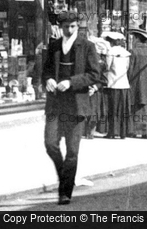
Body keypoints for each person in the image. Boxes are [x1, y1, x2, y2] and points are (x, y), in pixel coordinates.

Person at [42, 11, 101, 205]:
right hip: (55, 105)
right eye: (65, 27)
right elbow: (45, 71)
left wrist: (71, 82)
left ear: (78, 26)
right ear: (60, 27)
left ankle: (65, 192)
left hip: (77, 106)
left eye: (72, 26)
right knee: (50, 144)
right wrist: (49, 79)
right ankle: (64, 177)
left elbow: (94, 75)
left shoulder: (87, 46)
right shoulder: (54, 46)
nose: (69, 30)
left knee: (72, 151)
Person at [101, 32, 132, 139]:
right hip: (124, 84)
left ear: (111, 41)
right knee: (123, 109)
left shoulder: (110, 52)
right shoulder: (126, 53)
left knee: (112, 108)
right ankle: (123, 132)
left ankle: (112, 132)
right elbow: (127, 68)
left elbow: (107, 67)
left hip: (112, 84)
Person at [128, 28, 147, 139]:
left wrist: (128, 81)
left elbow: (130, 69)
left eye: (134, 38)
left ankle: (135, 131)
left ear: (137, 39)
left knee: (137, 107)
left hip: (136, 83)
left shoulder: (133, 51)